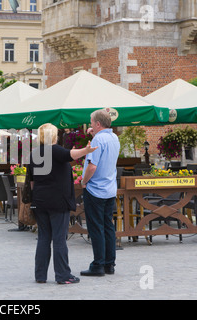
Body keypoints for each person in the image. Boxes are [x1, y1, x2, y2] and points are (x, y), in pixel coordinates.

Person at [29, 123, 97, 285]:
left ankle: (40, 275)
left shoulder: (34, 154)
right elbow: (71, 154)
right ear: (54, 136)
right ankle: (63, 275)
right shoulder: (55, 150)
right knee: (59, 238)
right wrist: (86, 151)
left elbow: (32, 181)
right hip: (58, 201)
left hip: (40, 200)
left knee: (44, 238)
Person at [80, 109, 120, 277]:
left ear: (97, 124)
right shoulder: (114, 137)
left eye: (91, 122)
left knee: (96, 228)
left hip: (95, 189)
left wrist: (83, 181)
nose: (90, 125)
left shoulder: (98, 139)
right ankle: (109, 264)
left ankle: (98, 265)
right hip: (110, 188)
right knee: (108, 226)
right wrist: (93, 134)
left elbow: (92, 166)